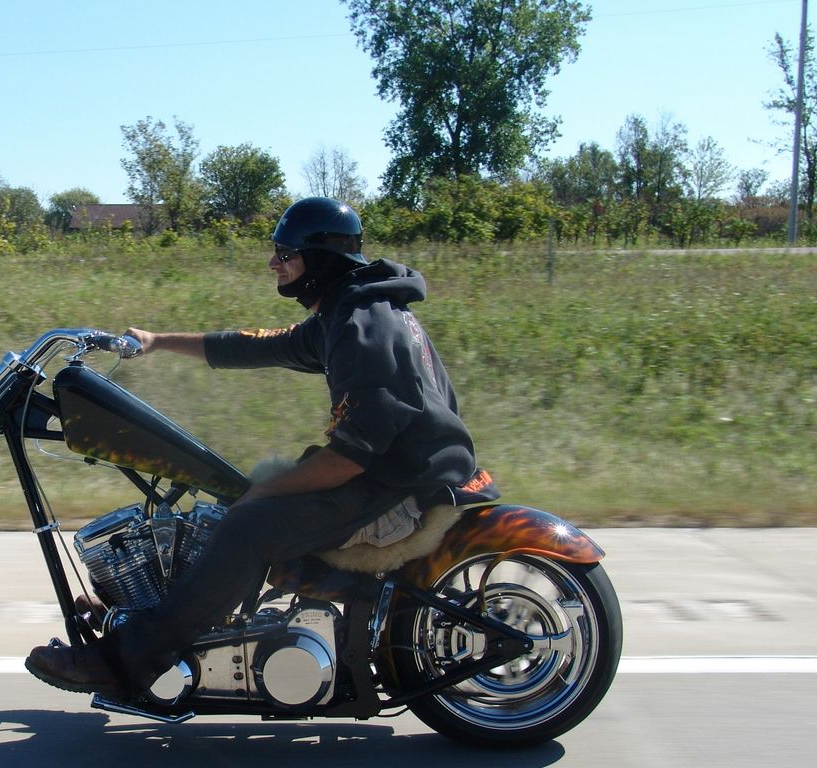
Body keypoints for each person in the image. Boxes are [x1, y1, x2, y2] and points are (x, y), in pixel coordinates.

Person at [25, 196, 489, 699]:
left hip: (398, 485)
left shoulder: (362, 330)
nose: (274, 262)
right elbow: (257, 344)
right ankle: (158, 612)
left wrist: (259, 498)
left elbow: (349, 459)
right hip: (390, 471)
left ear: (321, 259)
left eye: (286, 253)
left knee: (246, 525)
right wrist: (157, 340)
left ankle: (128, 662)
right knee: (235, 494)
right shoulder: (351, 311)